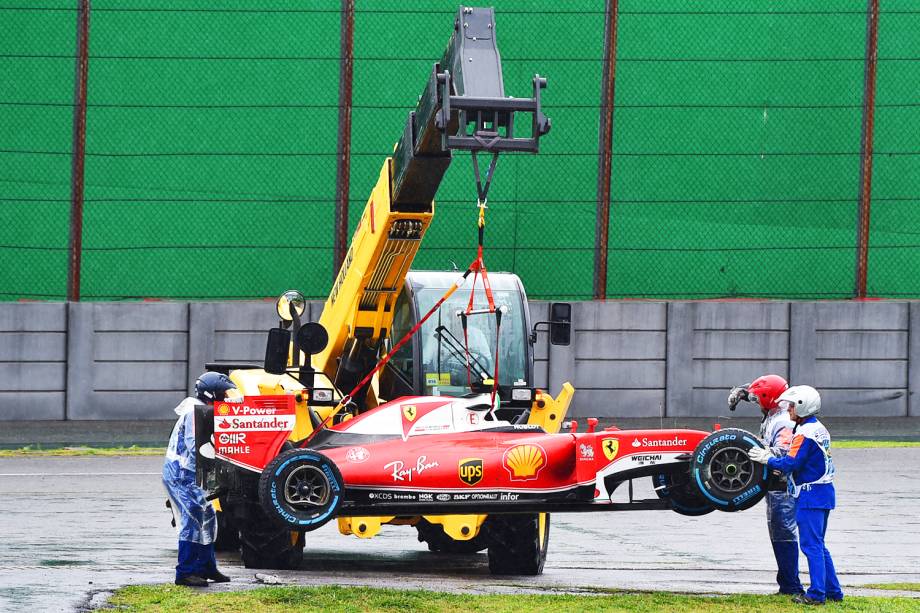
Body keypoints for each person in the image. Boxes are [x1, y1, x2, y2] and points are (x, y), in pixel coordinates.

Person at [748, 385, 844, 605]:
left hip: (810, 494)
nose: (789, 410)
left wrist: (766, 459)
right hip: (823, 492)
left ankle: (817, 594)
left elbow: (791, 463)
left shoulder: (804, 432)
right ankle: (833, 591)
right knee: (819, 544)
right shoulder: (818, 427)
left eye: (791, 406)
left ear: (802, 407)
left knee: (810, 546)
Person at [727, 374, 804, 597]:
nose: (756, 403)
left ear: (768, 398)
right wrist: (742, 393)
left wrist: (755, 451)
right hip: (774, 484)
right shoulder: (774, 412)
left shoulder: (783, 421)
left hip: (784, 485)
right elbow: (761, 390)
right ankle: (787, 584)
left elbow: (784, 453)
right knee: (778, 531)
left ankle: (791, 586)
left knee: (783, 532)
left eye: (758, 399)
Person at [163, 371, 235, 587]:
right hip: (181, 474)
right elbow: (196, 449)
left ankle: (206, 567)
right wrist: (211, 477)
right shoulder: (194, 413)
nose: (225, 398)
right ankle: (185, 572)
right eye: (222, 394)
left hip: (188, 473)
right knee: (194, 518)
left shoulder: (201, 409)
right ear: (210, 394)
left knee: (209, 516)